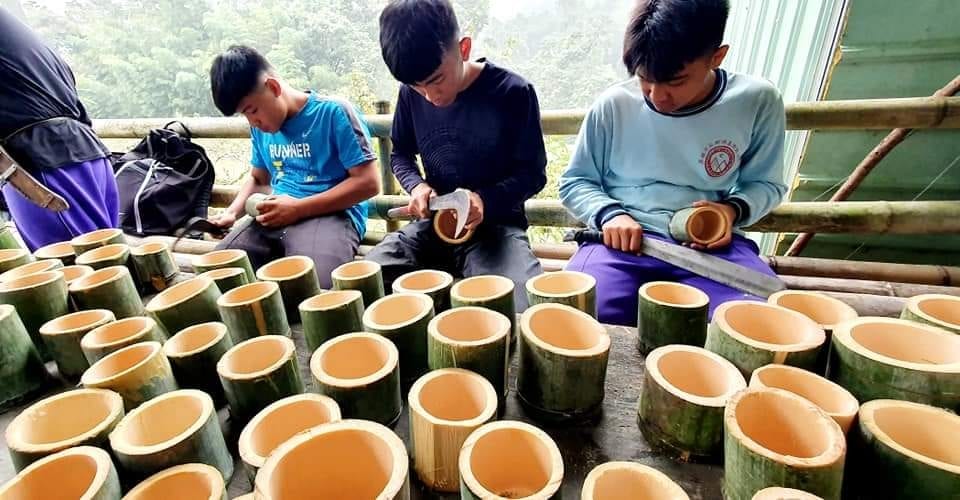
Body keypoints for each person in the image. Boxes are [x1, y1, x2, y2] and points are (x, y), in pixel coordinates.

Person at [559, 0, 787, 326]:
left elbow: (766, 184)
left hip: (709, 248)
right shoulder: (614, 105)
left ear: (717, 57)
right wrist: (611, 214)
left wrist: (730, 211)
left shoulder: (756, 101)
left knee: (758, 324)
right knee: (579, 316)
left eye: (676, 82)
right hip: (620, 246)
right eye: (644, 79)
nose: (656, 97)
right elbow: (575, 181)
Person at [365, 0, 547, 310]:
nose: (430, 96)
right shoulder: (411, 94)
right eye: (416, 86)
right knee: (365, 280)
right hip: (433, 226)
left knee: (520, 304)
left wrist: (483, 201)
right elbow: (401, 155)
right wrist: (418, 187)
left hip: (497, 229)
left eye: (437, 80)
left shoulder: (512, 91)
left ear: (463, 49)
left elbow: (533, 173)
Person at [208, 45, 380, 288]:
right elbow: (259, 179)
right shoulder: (260, 129)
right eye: (244, 116)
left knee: (314, 289)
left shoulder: (333, 113)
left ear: (273, 87)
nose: (253, 123)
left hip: (332, 215)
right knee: (217, 275)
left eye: (252, 111)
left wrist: (298, 209)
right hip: (274, 216)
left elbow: (369, 183)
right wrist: (232, 213)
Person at [0, 8, 119, 251]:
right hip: (87, 155)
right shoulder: (16, 31)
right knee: (110, 267)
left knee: (75, 275)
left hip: (40, 167)